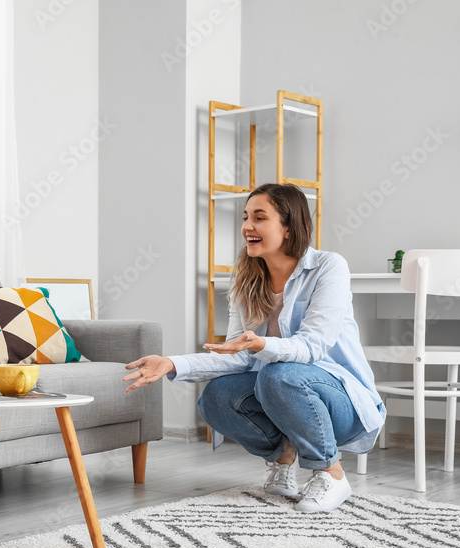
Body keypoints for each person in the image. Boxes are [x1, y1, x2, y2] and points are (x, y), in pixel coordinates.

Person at [123, 183, 384, 513]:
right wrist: (171, 364)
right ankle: (283, 458)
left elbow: (312, 347)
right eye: (246, 217)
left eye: (260, 218)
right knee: (217, 396)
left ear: (289, 227)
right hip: (285, 393)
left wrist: (262, 343)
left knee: (278, 375)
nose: (247, 226)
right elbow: (238, 357)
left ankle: (330, 473)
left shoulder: (328, 267)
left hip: (343, 402)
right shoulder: (247, 279)